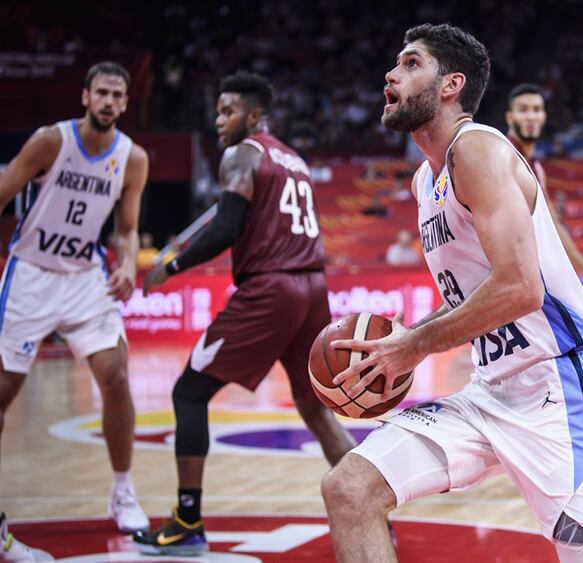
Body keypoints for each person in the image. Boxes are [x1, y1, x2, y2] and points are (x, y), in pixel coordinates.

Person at [321, 24, 583, 562]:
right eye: (395, 63)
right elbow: (472, 296)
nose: (391, 74)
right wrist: (404, 336)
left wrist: (414, 348)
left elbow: (520, 288)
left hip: (560, 385)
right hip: (491, 390)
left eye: (411, 63)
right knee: (349, 488)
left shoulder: (479, 148)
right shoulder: (424, 181)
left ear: (450, 84)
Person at [133, 72, 355, 555]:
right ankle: (369, 509)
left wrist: (169, 264)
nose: (218, 120)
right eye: (216, 110)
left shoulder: (242, 153)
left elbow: (226, 228)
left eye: (227, 110)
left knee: (189, 393)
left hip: (272, 288)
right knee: (314, 406)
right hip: (313, 286)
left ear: (253, 116)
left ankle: (186, 522)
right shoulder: (293, 159)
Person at [0, 62, 150, 551]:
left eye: (117, 95)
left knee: (117, 376)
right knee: (4, 391)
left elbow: (126, 230)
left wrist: (126, 263)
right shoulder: (50, 142)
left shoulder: (133, 158)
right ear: (85, 97)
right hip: (32, 273)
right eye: (101, 93)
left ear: (126, 103)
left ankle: (123, 493)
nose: (109, 102)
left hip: (86, 277)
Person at [505, 83, 583, 314]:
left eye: (536, 109)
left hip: (532, 276)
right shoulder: (501, 156)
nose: (531, 116)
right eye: (523, 109)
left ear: (543, 116)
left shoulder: (537, 168)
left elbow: (554, 227)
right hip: (508, 277)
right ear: (510, 117)